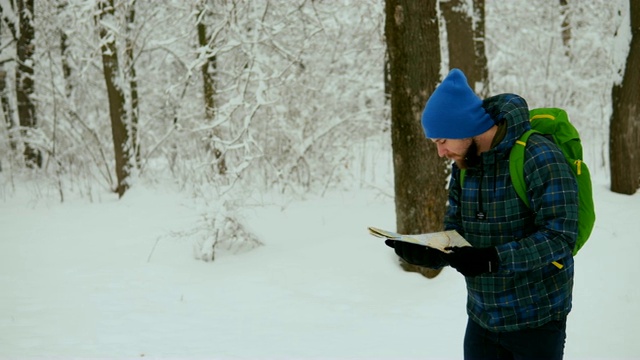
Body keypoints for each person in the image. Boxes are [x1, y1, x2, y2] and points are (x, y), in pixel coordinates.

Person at [385, 68, 578, 359]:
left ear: (465, 128)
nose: (441, 152)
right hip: (482, 317)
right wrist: (434, 251)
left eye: (442, 141)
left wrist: (493, 258)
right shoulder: (464, 163)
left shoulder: (538, 155)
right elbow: (456, 227)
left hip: (536, 318)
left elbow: (561, 237)